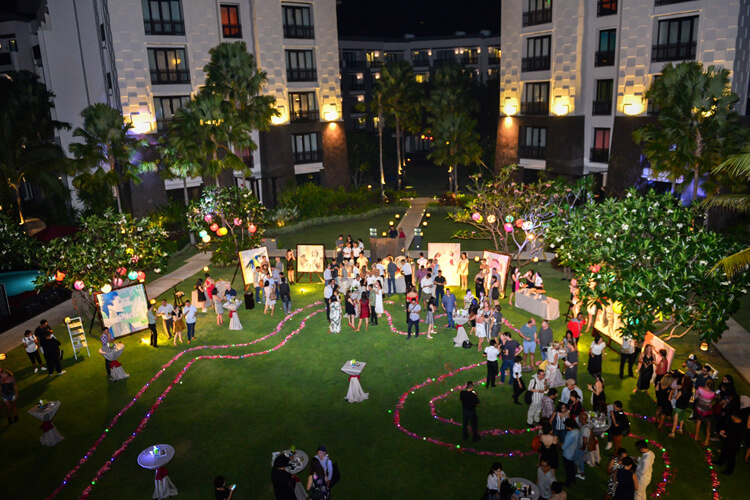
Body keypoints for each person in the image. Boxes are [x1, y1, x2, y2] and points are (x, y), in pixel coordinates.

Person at [694, 378, 716, 446]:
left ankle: (696, 436)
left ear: (706, 383)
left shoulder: (700, 389)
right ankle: (707, 440)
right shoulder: (713, 394)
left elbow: (696, 396)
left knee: (698, 421)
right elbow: (713, 400)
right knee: (708, 424)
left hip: (699, 408)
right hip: (707, 411)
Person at [561, 418, 580, 487]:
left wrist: (560, 444)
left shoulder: (569, 435)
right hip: (574, 453)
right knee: (572, 468)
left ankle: (568, 483)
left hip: (567, 454)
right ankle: (573, 479)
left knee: (568, 469)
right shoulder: (577, 431)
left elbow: (564, 446)